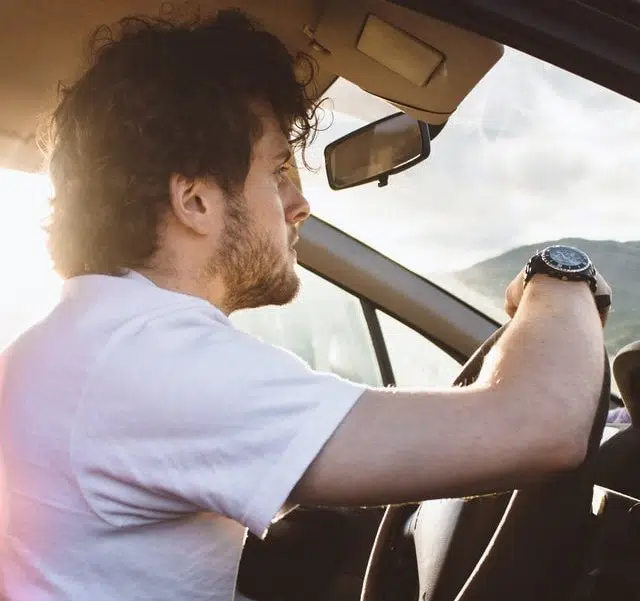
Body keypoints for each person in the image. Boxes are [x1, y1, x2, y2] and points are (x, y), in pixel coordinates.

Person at [0, 9, 611, 601]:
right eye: (277, 172)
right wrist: (560, 274)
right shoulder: (148, 357)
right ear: (194, 200)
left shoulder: (96, 338)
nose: (299, 204)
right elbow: (541, 426)